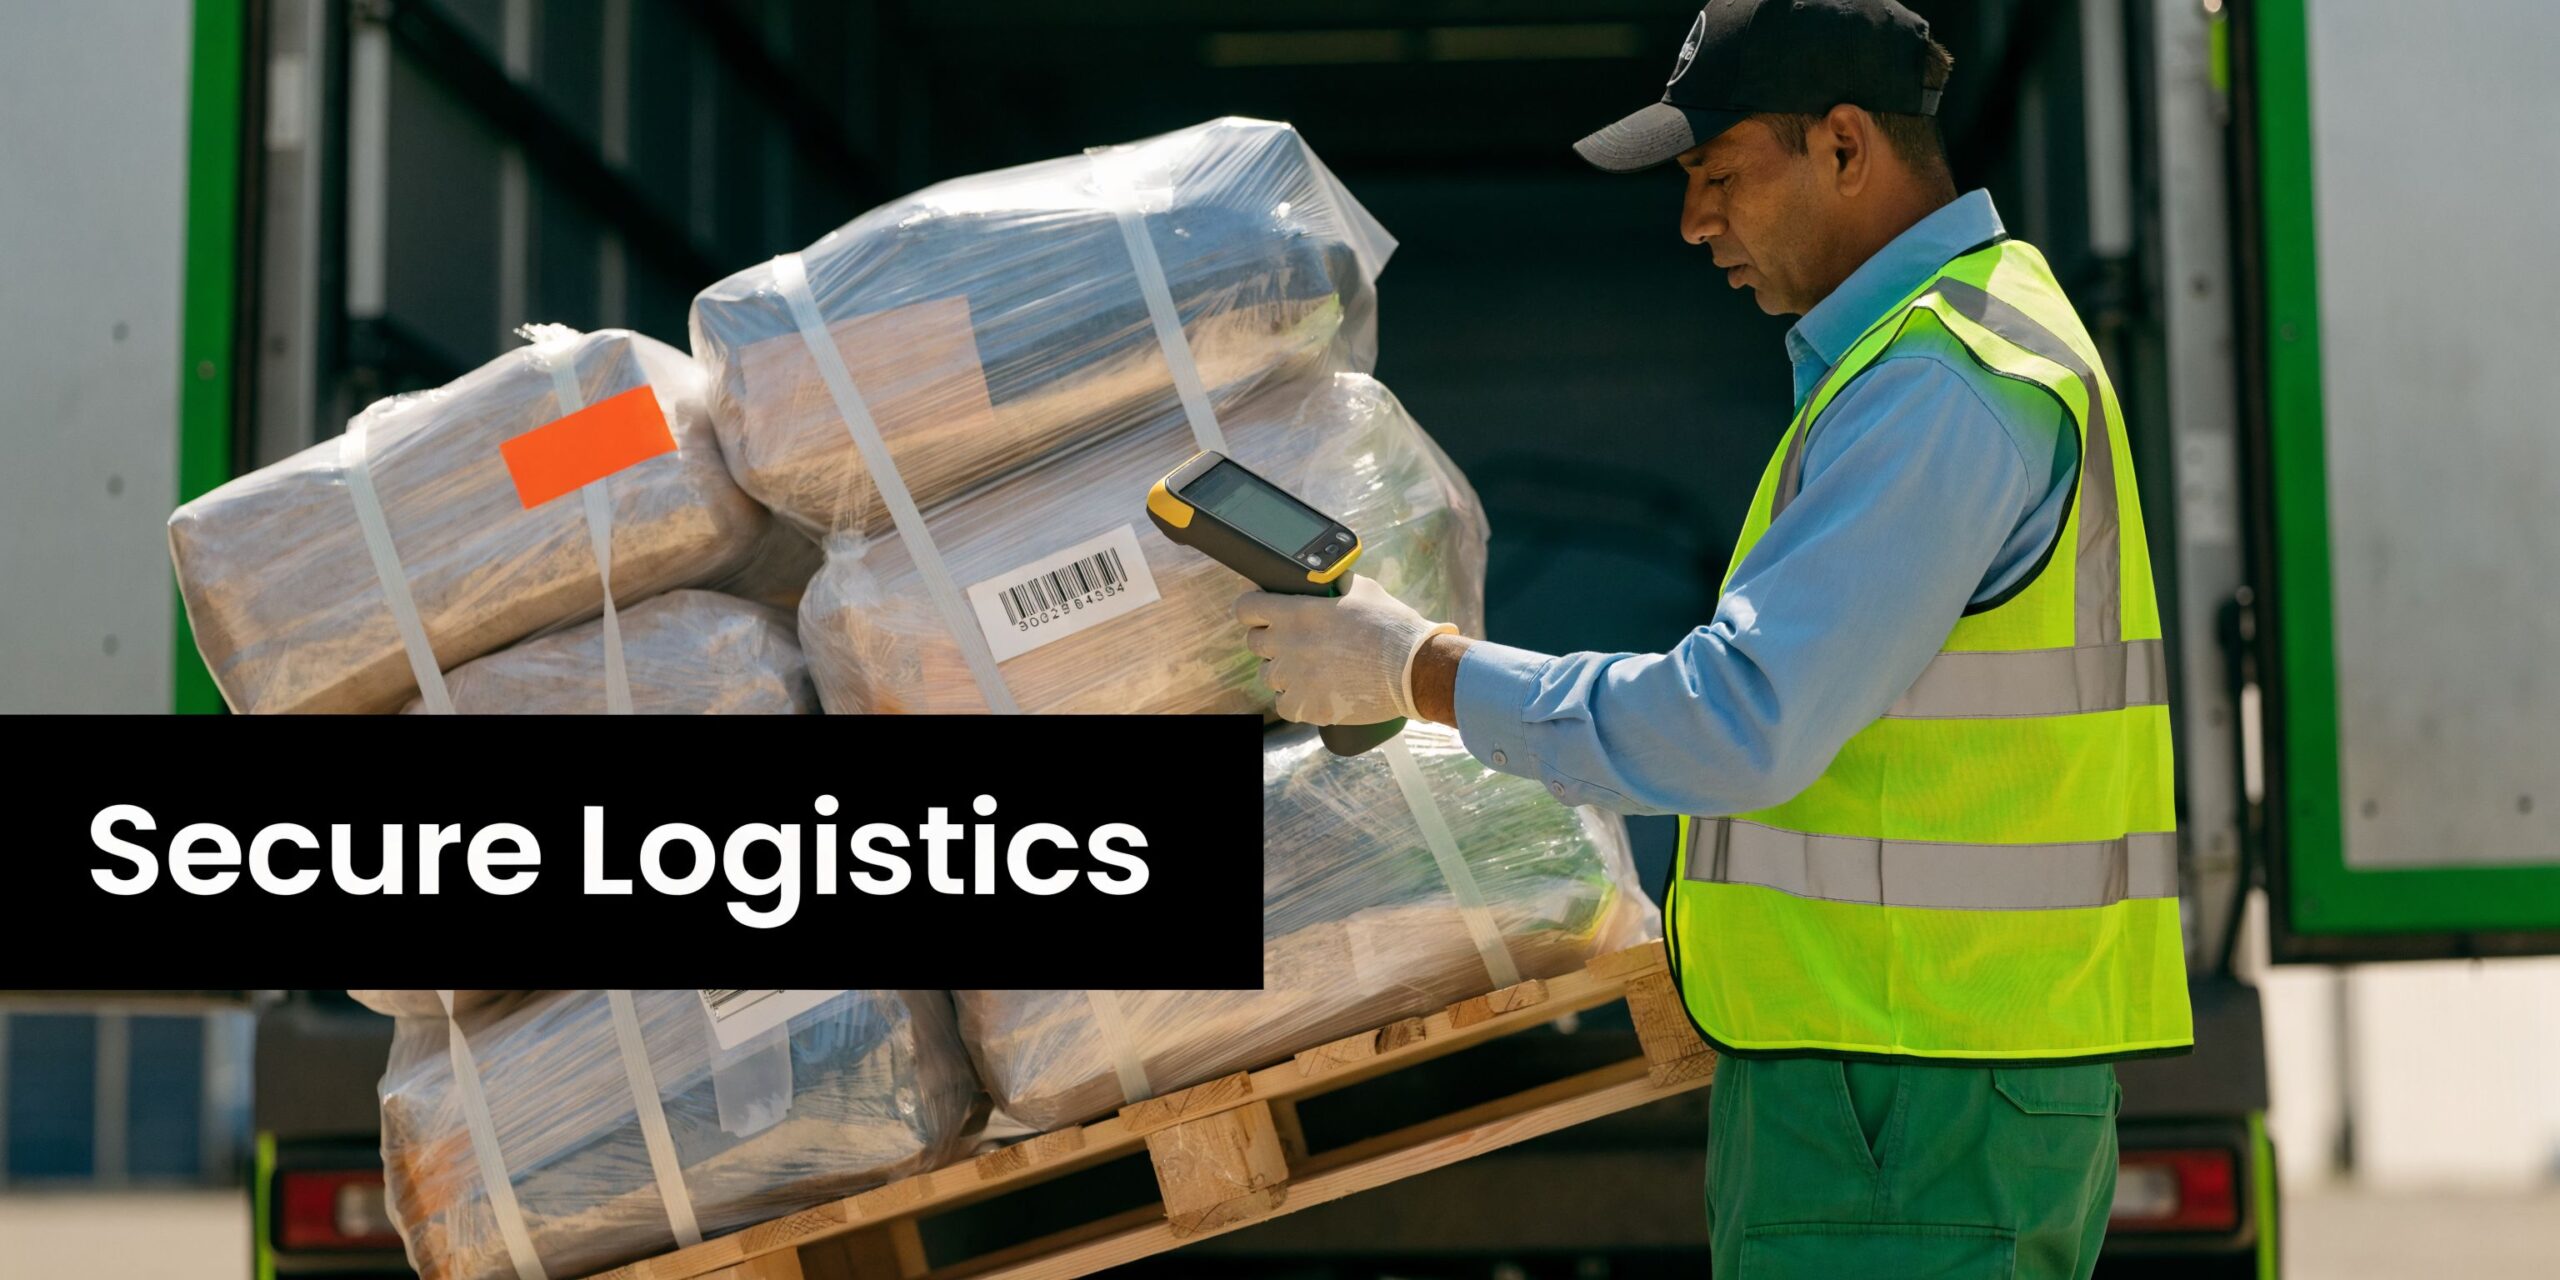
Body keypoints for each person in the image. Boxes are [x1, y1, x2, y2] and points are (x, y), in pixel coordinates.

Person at [1233, 2, 2195, 1275]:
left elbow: (1741, 719)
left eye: (1719, 173)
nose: (1692, 222)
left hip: (1904, 1100)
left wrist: (1419, 669)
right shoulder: (1941, 351)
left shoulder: (1942, 382)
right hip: (1910, 1079)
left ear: (1842, 146)